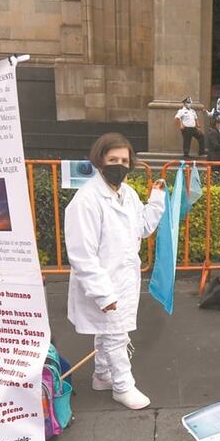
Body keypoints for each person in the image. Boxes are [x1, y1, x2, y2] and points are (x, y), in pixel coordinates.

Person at [64, 133, 167, 410]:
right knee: (115, 334)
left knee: (108, 331)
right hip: (104, 281)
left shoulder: (128, 194)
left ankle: (102, 375)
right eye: (113, 160)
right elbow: (82, 255)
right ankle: (122, 385)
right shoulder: (85, 201)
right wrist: (102, 293)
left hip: (123, 278)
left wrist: (156, 199)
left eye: (124, 160)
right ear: (100, 160)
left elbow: (143, 228)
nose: (119, 165)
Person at [204, 117, 220, 182]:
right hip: (214, 157)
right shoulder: (213, 132)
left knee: (216, 173)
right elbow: (215, 146)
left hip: (218, 157)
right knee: (214, 174)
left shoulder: (218, 132)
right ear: (216, 123)